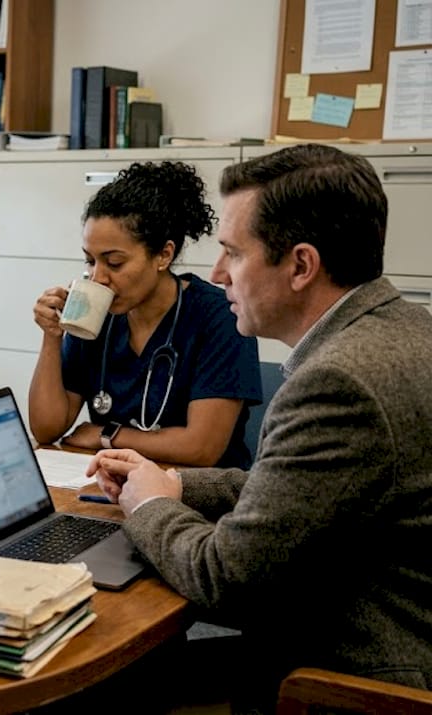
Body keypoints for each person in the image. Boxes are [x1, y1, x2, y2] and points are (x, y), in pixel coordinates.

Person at [90, 144, 432, 702]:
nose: (216, 272)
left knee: (106, 684)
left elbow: (225, 580)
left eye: (233, 253)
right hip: (390, 641)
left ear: (301, 265)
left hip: (350, 680)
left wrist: (150, 506)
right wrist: (175, 482)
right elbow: (301, 492)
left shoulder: (340, 383)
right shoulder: (404, 327)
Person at [29, 161, 261, 468]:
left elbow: (202, 448)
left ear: (164, 255)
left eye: (113, 263)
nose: (97, 277)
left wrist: (108, 435)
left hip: (198, 498)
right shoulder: (97, 314)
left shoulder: (220, 317)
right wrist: (51, 338)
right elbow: (47, 429)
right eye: (90, 261)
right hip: (112, 488)